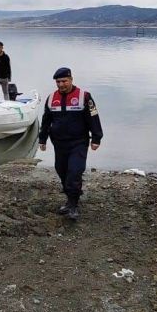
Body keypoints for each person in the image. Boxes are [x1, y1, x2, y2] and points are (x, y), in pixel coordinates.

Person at [38, 67, 103, 220]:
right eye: (58, 82)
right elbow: (46, 120)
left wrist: (96, 138)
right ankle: (70, 197)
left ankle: (73, 205)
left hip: (78, 142)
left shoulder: (84, 97)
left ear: (71, 79)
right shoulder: (51, 98)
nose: (61, 84)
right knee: (61, 170)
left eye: (64, 81)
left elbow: (93, 117)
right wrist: (42, 139)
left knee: (74, 171)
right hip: (59, 143)